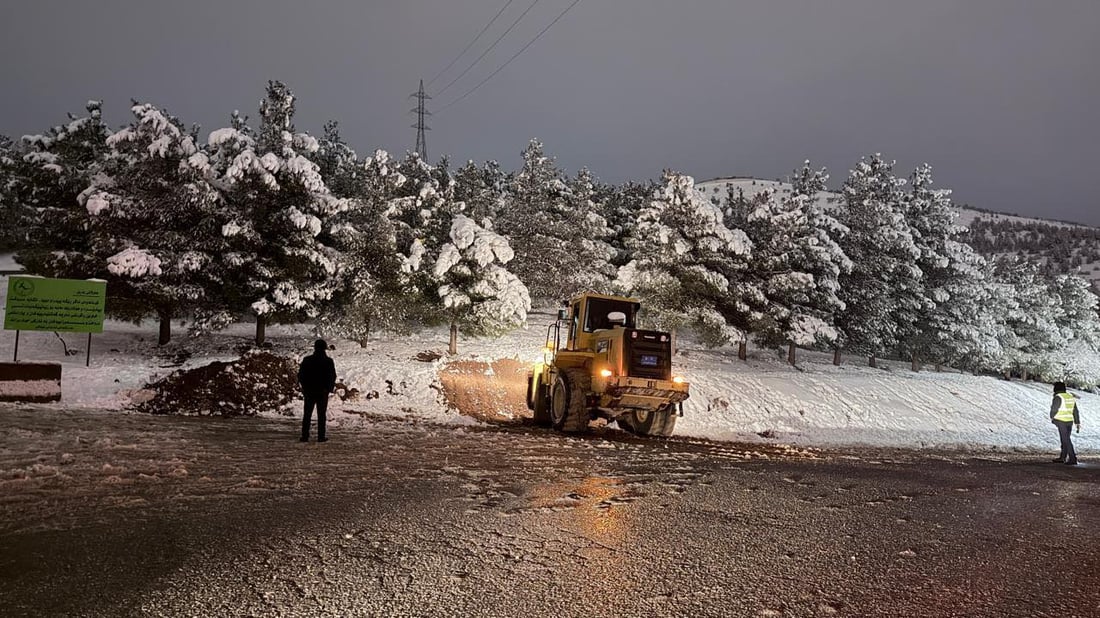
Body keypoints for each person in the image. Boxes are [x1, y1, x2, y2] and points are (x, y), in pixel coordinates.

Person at [299, 339, 337, 443]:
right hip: (322, 392)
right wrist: (328, 389)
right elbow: (332, 376)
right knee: (321, 415)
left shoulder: (307, 360)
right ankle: (321, 436)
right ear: (325, 348)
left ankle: (305, 436)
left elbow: (301, 375)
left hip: (309, 391)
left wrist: (305, 388)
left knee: (307, 414)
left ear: (315, 348)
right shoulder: (328, 361)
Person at [1050, 381, 1081, 465]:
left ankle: (1072, 458)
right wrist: (1077, 422)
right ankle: (1062, 457)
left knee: (1066, 440)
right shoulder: (1070, 397)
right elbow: (1075, 410)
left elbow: (1054, 409)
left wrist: (1052, 417)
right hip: (1069, 421)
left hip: (1061, 420)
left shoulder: (1058, 397)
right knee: (1065, 439)